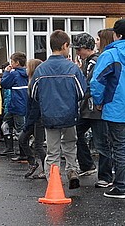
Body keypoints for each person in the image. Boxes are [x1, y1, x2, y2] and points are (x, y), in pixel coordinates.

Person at [89, 19, 125, 199]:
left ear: (117, 35)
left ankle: (120, 186)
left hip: (114, 102)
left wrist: (98, 100)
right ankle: (119, 182)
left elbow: (97, 81)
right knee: (122, 143)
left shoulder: (110, 54)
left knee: (118, 145)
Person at [32, 30, 88, 188]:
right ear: (65, 46)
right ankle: (72, 170)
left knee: (52, 150)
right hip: (69, 113)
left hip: (49, 114)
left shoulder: (41, 69)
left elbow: (34, 93)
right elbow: (81, 92)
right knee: (70, 144)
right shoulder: (72, 68)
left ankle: (53, 181)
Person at [71, 33, 101, 178]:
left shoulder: (92, 63)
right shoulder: (88, 62)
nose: (77, 53)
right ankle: (87, 164)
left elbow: (88, 84)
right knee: (77, 133)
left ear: (86, 48)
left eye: (79, 49)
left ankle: (97, 168)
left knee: (100, 140)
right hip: (88, 108)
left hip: (92, 108)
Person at [21, 59, 47, 178]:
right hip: (34, 118)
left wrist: (28, 123)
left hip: (38, 119)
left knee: (38, 145)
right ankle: (34, 163)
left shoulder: (35, 84)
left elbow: (35, 106)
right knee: (23, 140)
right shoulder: (32, 82)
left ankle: (45, 169)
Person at [0, 52, 29, 157]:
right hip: (22, 105)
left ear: (17, 63)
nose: (10, 63)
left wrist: (6, 73)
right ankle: (12, 149)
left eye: (12, 61)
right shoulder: (28, 73)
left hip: (16, 105)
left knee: (18, 129)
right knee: (8, 125)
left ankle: (24, 153)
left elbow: (4, 84)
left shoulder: (14, 74)